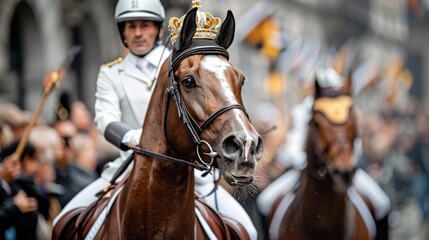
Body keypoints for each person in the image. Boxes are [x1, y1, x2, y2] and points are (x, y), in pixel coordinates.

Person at [54, 0, 257, 239]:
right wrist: (137, 138)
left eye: (145, 25)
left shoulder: (184, 62)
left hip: (188, 170)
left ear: (158, 29)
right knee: (62, 223)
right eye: (131, 26)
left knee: (249, 231)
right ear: (123, 32)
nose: (138, 33)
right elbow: (105, 119)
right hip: (126, 164)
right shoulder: (110, 73)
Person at [257, 67, 391, 239]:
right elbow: (293, 143)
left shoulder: (347, 108)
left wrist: (347, 160)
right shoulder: (305, 109)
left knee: (382, 203)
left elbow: (354, 141)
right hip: (304, 171)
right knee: (265, 201)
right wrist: (301, 160)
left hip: (345, 169)